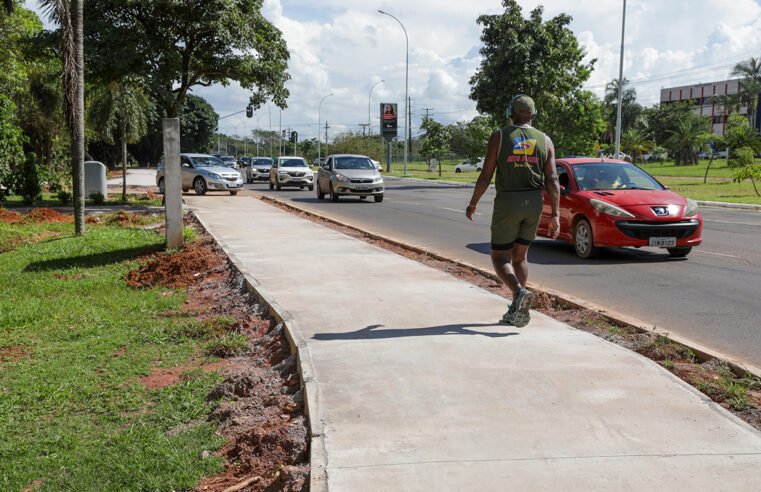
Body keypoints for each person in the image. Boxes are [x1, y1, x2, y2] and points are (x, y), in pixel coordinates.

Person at [465, 94, 560, 327]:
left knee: (499, 257)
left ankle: (518, 293)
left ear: (511, 112)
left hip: (509, 201)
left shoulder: (500, 136)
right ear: (533, 114)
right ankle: (518, 312)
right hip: (534, 202)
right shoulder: (545, 140)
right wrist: (556, 214)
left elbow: (486, 175)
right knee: (521, 257)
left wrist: (473, 203)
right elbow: (553, 179)